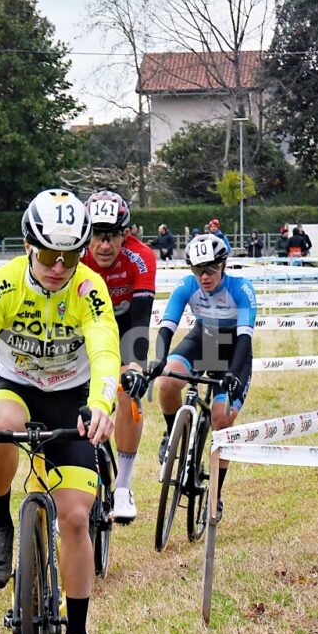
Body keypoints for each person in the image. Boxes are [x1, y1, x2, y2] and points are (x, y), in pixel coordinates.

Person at [0, 189, 120, 634]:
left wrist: (102, 404)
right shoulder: (0, 286)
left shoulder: (89, 288)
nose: (59, 267)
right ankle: (0, 520)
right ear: (28, 246)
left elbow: (105, 351)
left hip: (71, 397)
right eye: (48, 255)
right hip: (16, 385)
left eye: (71, 255)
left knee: (75, 517)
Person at [150, 233, 256, 520]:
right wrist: (159, 359)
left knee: (222, 419)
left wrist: (232, 374)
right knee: (167, 382)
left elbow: (244, 338)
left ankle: (215, 495)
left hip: (233, 349)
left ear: (223, 265)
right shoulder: (187, 286)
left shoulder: (241, 289)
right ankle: (173, 435)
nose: (204, 276)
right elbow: (167, 326)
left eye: (210, 269)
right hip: (204, 339)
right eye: (198, 270)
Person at [82, 189, 157, 522]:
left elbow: (140, 321)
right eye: (97, 235)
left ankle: (123, 486)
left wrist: (136, 366)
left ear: (125, 234)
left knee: (128, 391)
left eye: (112, 235)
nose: (104, 245)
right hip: (86, 328)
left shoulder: (141, 257)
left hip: (126, 327)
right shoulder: (74, 257)